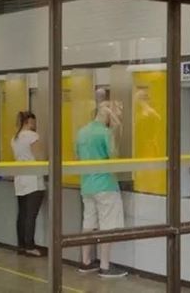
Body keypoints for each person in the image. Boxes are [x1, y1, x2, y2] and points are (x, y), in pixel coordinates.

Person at [76, 105, 128, 278]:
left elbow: (77, 156)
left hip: (86, 184)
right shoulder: (106, 132)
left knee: (88, 223)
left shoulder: (81, 132)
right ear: (108, 116)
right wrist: (116, 131)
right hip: (105, 184)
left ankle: (85, 262)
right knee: (108, 225)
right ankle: (105, 266)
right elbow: (114, 156)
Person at [11, 111, 45, 257]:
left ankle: (22, 246)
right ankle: (30, 246)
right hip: (33, 180)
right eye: (34, 122)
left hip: (20, 179)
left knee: (22, 214)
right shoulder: (32, 136)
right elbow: (40, 157)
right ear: (29, 122)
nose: (35, 125)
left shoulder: (15, 138)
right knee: (31, 215)